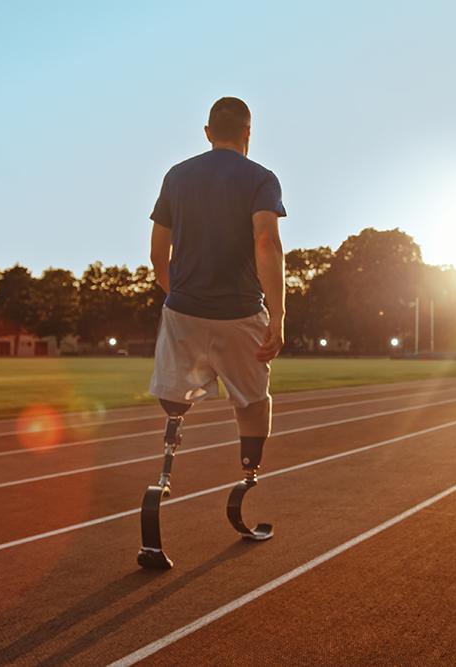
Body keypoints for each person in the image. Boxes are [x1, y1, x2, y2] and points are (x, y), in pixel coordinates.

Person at [148, 96, 286, 480]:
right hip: (240, 311)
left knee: (172, 393)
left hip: (183, 308)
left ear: (208, 133)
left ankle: (171, 436)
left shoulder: (176, 176)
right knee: (253, 401)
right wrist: (279, 315)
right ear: (248, 133)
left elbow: (158, 253)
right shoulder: (261, 178)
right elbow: (266, 242)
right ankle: (248, 472)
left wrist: (177, 296)